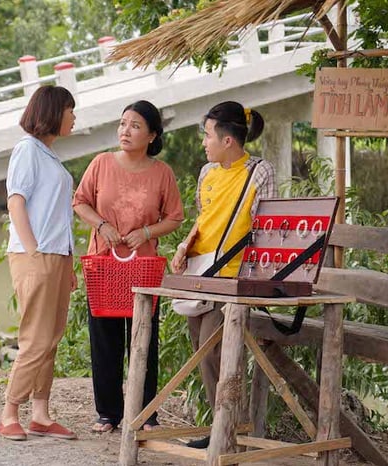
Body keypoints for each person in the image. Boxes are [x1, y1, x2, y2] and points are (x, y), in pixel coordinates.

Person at [170, 101, 277, 448]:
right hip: (201, 273)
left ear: (227, 140)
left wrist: (259, 279)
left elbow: (266, 228)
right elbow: (204, 220)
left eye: (207, 135)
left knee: (212, 348)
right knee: (202, 352)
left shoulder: (259, 172)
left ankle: (227, 430)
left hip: (234, 277)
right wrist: (184, 246)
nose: (204, 142)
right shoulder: (206, 173)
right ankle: (224, 426)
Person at [73, 100, 184, 433]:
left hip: (143, 268)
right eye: (123, 123)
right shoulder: (101, 163)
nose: (125, 131)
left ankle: (146, 413)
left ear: (151, 135)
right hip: (104, 265)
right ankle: (107, 413)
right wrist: (102, 226)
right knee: (105, 340)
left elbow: (175, 217)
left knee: (143, 339)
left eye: (135, 125)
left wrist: (146, 232)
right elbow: (80, 201)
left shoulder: (162, 172)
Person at [0, 85, 78, 441]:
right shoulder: (27, 150)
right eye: (70, 110)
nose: (74, 117)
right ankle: (9, 412)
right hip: (37, 255)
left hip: (57, 256)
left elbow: (58, 213)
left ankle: (41, 414)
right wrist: (32, 251)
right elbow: (16, 202)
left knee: (52, 338)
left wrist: (68, 262)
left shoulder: (50, 155)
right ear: (53, 111)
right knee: (35, 338)